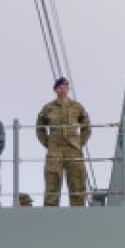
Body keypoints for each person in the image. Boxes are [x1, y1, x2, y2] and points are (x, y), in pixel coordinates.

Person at [36, 78, 91, 207]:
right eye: (60, 87)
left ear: (68, 89)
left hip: (73, 149)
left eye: (65, 87)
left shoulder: (77, 106)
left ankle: (77, 216)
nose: (63, 89)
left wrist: (79, 142)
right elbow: (40, 128)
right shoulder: (48, 108)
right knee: (52, 182)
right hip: (55, 149)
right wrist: (49, 144)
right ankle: (50, 217)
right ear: (55, 90)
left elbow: (86, 127)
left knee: (77, 182)